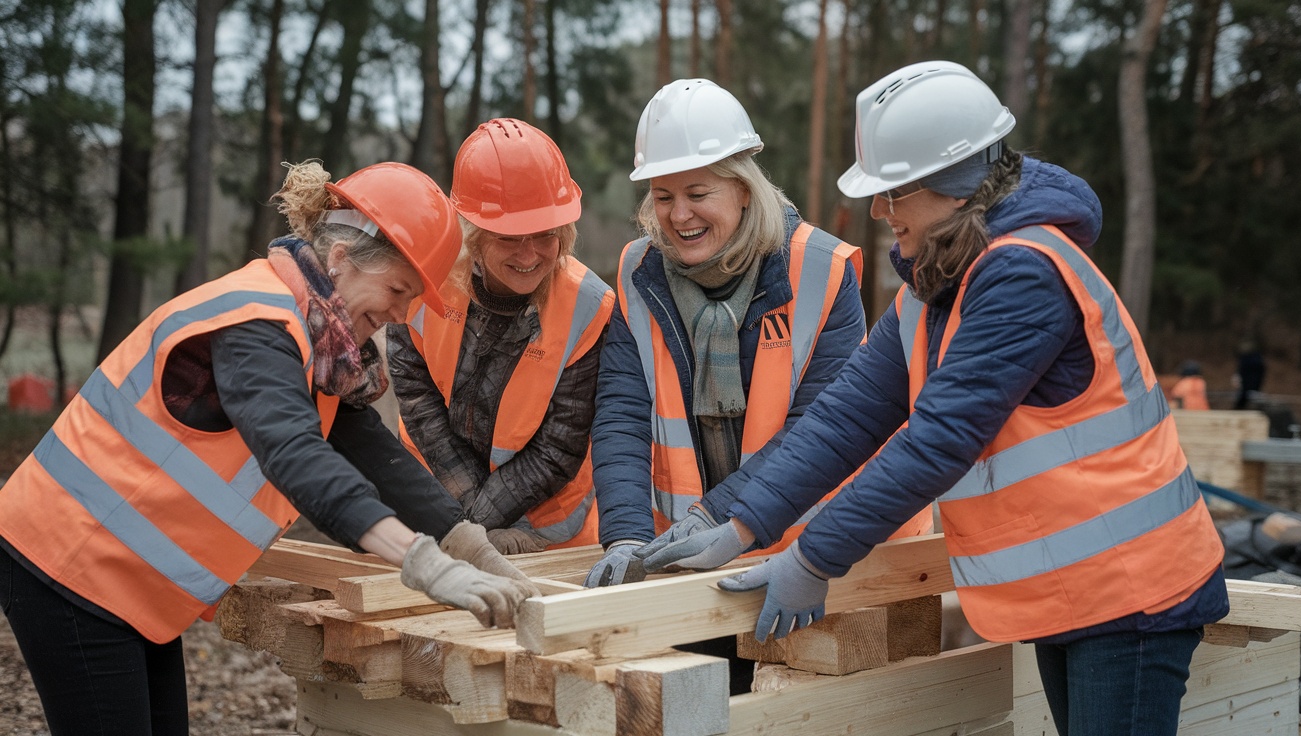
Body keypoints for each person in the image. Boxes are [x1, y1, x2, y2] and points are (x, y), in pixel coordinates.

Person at [643, 62, 1230, 735]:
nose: (878, 210)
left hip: (1131, 589)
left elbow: (938, 440)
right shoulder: (938, 283)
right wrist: (738, 520)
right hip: (1075, 589)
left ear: (952, 188)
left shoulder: (1022, 273)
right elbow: (849, 414)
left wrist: (814, 556)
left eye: (893, 191)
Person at [0, 161, 538, 736]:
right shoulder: (256, 324)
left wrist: (473, 551)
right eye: (397, 290)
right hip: (69, 562)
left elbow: (376, 459)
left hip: (124, 579)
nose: (398, 316)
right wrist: (421, 564)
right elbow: (295, 456)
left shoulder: (321, 352)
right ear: (340, 262)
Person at [586, 78, 931, 590]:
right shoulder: (640, 273)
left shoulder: (820, 270)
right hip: (688, 562)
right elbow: (621, 412)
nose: (679, 215)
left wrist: (719, 516)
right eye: (663, 196)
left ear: (744, 190)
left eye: (698, 193)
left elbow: (819, 425)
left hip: (819, 556)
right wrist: (627, 536)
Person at [387, 118, 614, 555]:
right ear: (474, 231)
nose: (529, 255)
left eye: (545, 235)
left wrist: (476, 528)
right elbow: (420, 408)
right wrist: (467, 526)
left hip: (543, 532)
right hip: (436, 512)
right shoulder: (424, 280)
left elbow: (559, 446)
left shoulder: (589, 307)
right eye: (510, 238)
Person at [1234, 339, 1266, 410]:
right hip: (1251, 385)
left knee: (1247, 398)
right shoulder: (1256, 359)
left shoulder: (1251, 359)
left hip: (1249, 385)